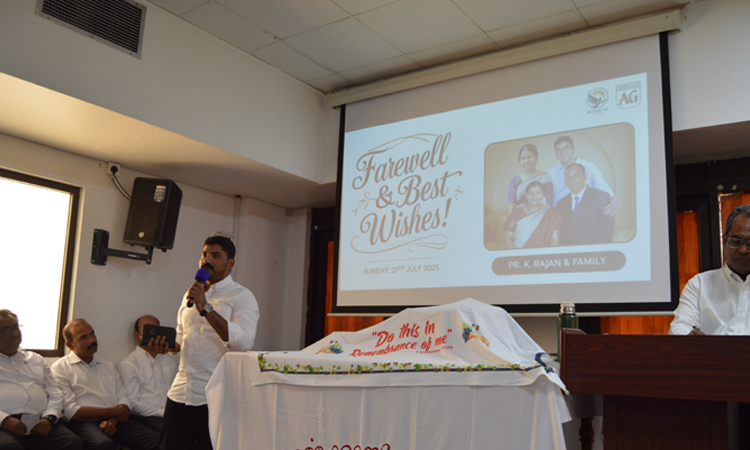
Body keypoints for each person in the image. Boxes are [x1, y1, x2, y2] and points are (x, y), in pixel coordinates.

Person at [162, 235, 260, 450]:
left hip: (218, 397)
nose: (206, 260)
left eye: (216, 256)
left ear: (230, 263)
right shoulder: (191, 294)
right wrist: (168, 346)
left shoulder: (242, 297)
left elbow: (243, 343)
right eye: (204, 254)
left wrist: (206, 308)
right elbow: (181, 336)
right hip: (181, 392)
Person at [51, 319, 159, 450]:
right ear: (70, 344)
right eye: (84, 338)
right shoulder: (60, 368)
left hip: (116, 420)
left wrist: (113, 420)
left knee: (158, 441)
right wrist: (114, 411)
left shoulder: (107, 365)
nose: (92, 340)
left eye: (92, 334)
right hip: (84, 423)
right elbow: (70, 412)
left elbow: (124, 398)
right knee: (103, 445)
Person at [0, 310, 83, 450]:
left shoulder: (35, 359)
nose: (14, 334)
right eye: (7, 330)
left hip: (40, 422)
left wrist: (49, 418)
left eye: (15, 327)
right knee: (9, 447)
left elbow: (55, 394)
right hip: (5, 426)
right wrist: (4, 420)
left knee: (72, 443)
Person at [670, 204, 750, 335]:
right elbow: (679, 328)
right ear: (725, 240)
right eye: (736, 241)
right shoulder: (700, 284)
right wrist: (691, 339)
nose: (743, 250)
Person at [116, 315, 179, 434]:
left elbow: (178, 390)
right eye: (148, 330)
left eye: (156, 330)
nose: (153, 335)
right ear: (137, 335)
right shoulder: (128, 364)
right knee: (174, 432)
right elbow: (133, 402)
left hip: (172, 413)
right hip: (146, 416)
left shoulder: (170, 361)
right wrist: (162, 412)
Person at [548, 136, 617, 216]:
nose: (563, 152)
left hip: (588, 216)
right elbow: (548, 200)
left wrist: (613, 201)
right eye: (559, 150)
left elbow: (605, 191)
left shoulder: (589, 167)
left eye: (566, 148)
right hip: (561, 216)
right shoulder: (550, 174)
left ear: (573, 149)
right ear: (556, 154)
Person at [557, 164, 615, 246]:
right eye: (568, 178)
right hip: (569, 252)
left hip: (594, 251)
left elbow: (606, 231)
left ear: (585, 177)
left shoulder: (601, 198)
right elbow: (562, 233)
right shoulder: (561, 203)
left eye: (576, 176)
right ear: (565, 181)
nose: (572, 181)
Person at [502, 181, 562, 248]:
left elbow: (555, 239)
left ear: (543, 195)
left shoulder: (552, 214)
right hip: (517, 252)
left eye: (538, 193)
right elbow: (506, 239)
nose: (534, 196)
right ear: (526, 195)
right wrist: (518, 254)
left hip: (540, 253)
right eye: (531, 193)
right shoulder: (516, 213)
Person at [505, 144, 553, 213]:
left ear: (536, 158)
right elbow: (511, 207)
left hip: (542, 216)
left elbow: (549, 203)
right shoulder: (515, 181)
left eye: (529, 157)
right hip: (521, 217)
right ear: (520, 161)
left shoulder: (545, 177)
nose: (527, 161)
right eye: (523, 158)